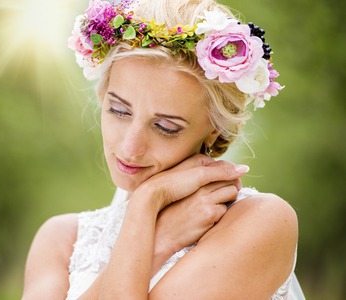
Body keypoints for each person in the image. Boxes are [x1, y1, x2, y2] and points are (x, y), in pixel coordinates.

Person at [22, 0, 305, 298]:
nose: (131, 148)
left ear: (214, 130)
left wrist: (147, 200)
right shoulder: (61, 239)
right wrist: (155, 235)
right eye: (119, 110)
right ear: (102, 95)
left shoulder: (259, 222)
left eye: (165, 127)